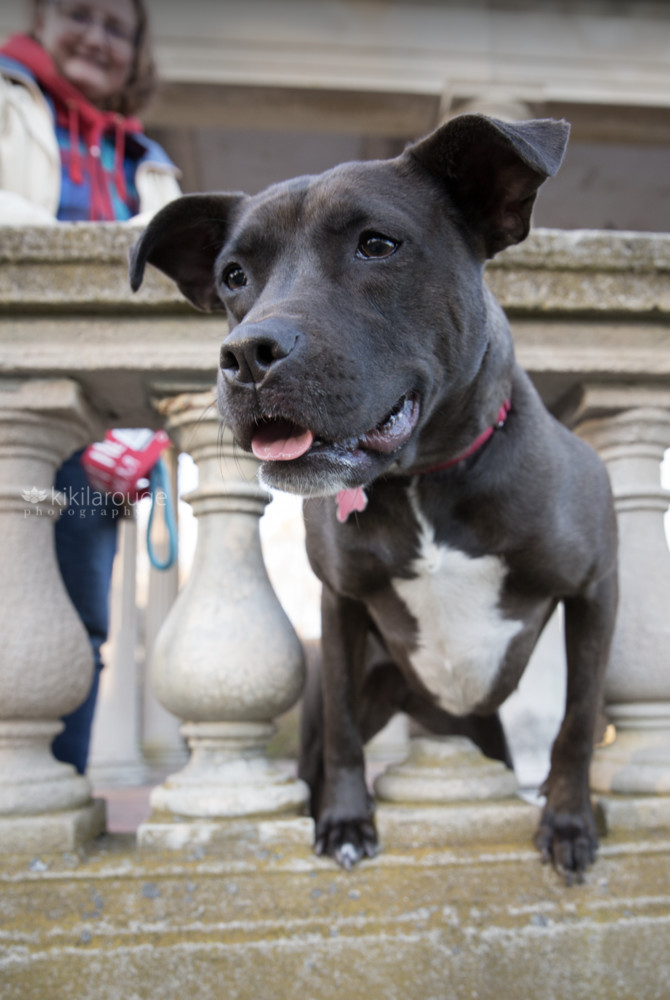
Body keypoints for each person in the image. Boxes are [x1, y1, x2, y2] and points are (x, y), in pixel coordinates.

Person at [0, 0, 182, 772]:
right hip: (13, 398)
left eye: (119, 28)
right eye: (79, 14)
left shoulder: (149, 161)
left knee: (77, 623)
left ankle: (54, 790)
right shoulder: (7, 100)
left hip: (88, 447)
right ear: (39, 20)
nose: (97, 38)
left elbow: (180, 278)